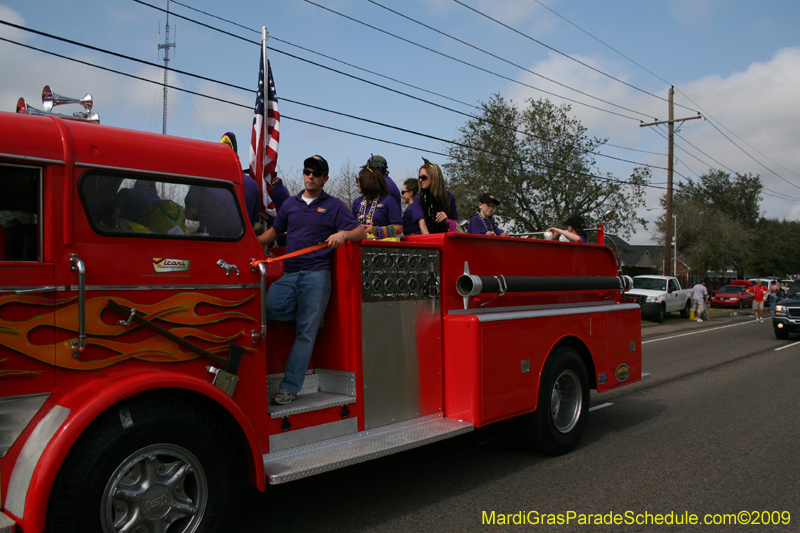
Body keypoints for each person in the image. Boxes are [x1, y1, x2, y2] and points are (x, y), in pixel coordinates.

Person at [257, 155, 367, 405]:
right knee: (269, 307)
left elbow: (360, 232)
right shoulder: (290, 204)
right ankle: (309, 315)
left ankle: (289, 387)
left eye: (316, 173)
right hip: (290, 274)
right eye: (307, 171)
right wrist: (251, 246)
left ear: (325, 178)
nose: (310, 176)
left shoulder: (335, 205)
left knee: (305, 334)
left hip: (317, 275)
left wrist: (344, 234)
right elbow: (275, 232)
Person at [220, 132, 260, 226]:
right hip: (243, 239)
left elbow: (192, 213)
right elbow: (252, 224)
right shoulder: (252, 185)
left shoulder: (209, 182)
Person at [352, 166, 402, 239]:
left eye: (359, 180)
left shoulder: (388, 201)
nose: (357, 184)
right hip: (360, 247)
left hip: (381, 248)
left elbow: (399, 228)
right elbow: (350, 225)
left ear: (367, 181)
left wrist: (375, 230)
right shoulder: (357, 202)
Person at [416, 158, 458, 234]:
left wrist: (446, 220)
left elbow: (454, 225)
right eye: (419, 177)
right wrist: (431, 243)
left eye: (424, 177)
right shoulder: (419, 198)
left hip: (443, 237)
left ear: (434, 177)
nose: (421, 180)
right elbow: (422, 225)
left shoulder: (449, 197)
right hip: (425, 240)